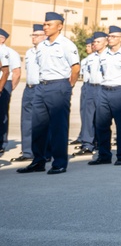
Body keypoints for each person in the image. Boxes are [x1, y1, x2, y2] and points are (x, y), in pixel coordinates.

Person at [17, 12, 80, 175]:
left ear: (59, 26)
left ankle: (59, 163)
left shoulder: (66, 44)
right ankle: (38, 161)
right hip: (41, 87)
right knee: (37, 126)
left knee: (58, 127)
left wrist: (68, 87)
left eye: (49, 24)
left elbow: (75, 68)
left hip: (59, 86)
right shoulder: (42, 45)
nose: (45, 27)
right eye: (44, 24)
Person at [90, 25, 121, 166]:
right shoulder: (104, 54)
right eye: (109, 36)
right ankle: (104, 155)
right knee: (102, 125)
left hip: (120, 92)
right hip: (104, 91)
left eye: (113, 37)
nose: (110, 39)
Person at [11, 25, 45, 162]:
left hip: (41, 87)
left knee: (42, 122)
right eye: (32, 35)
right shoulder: (30, 52)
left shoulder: (48, 51)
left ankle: (43, 152)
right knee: (26, 121)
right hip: (29, 88)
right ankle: (27, 152)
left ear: (44, 36)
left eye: (36, 35)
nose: (33, 37)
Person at [73, 35, 101, 157]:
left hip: (102, 87)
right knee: (87, 116)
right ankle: (87, 144)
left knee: (101, 118)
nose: (92, 46)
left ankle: (100, 142)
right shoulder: (88, 59)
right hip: (89, 86)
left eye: (95, 43)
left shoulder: (108, 56)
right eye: (92, 43)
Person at [0, 28, 22, 154]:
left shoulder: (10, 52)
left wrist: (10, 87)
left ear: (2, 38)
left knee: (2, 114)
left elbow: (16, 72)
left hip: (4, 83)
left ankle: (1, 142)